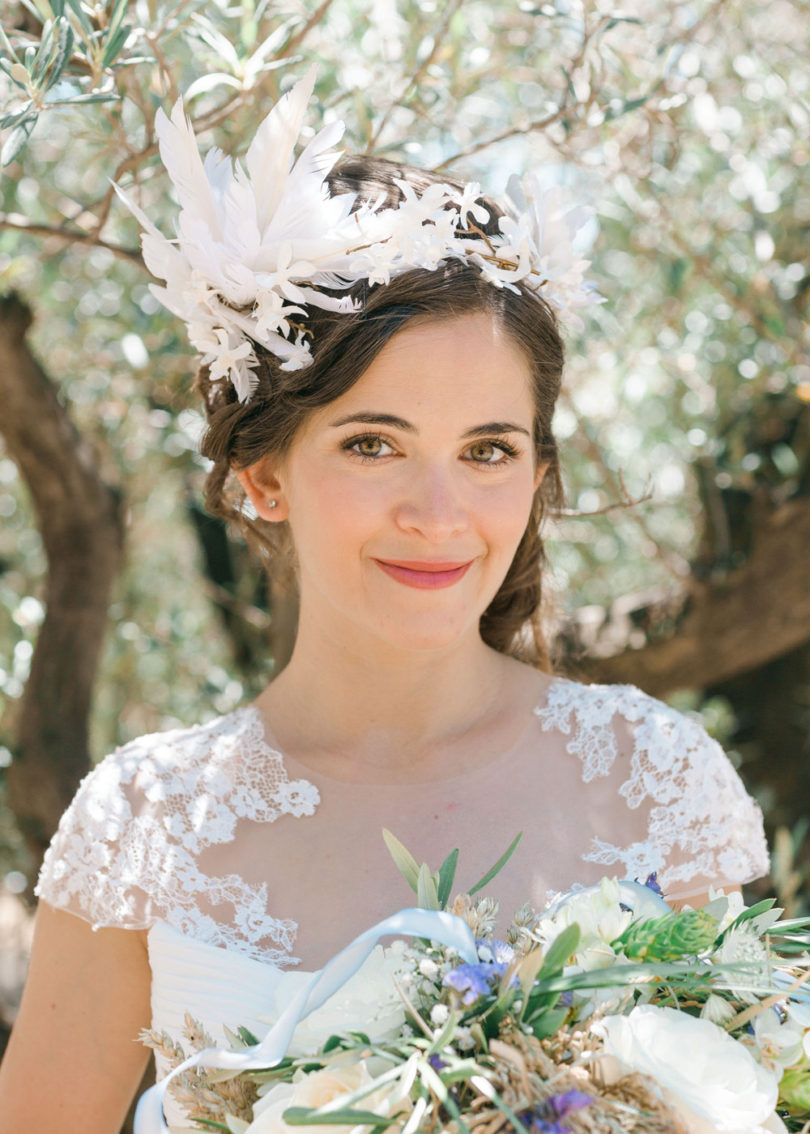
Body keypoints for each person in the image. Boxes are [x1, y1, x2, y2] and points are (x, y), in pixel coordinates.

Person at [0, 71, 768, 1133]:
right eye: (374, 444)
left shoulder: (659, 785)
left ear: (537, 476)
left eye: (487, 450)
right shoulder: (143, 828)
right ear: (264, 474)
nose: (439, 511)